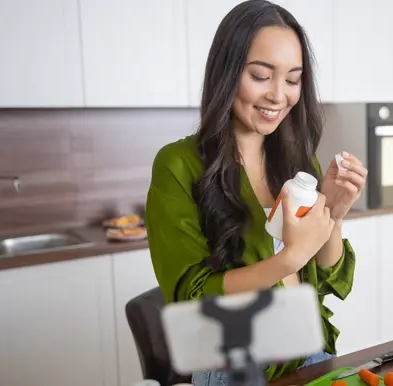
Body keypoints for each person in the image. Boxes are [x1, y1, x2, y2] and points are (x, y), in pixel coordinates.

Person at [145, 0, 367, 384]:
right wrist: (290, 257)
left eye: (293, 80)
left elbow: (327, 276)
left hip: (311, 355)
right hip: (234, 367)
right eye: (261, 76)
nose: (278, 96)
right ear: (227, 73)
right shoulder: (178, 165)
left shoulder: (298, 161)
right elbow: (192, 298)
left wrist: (335, 213)